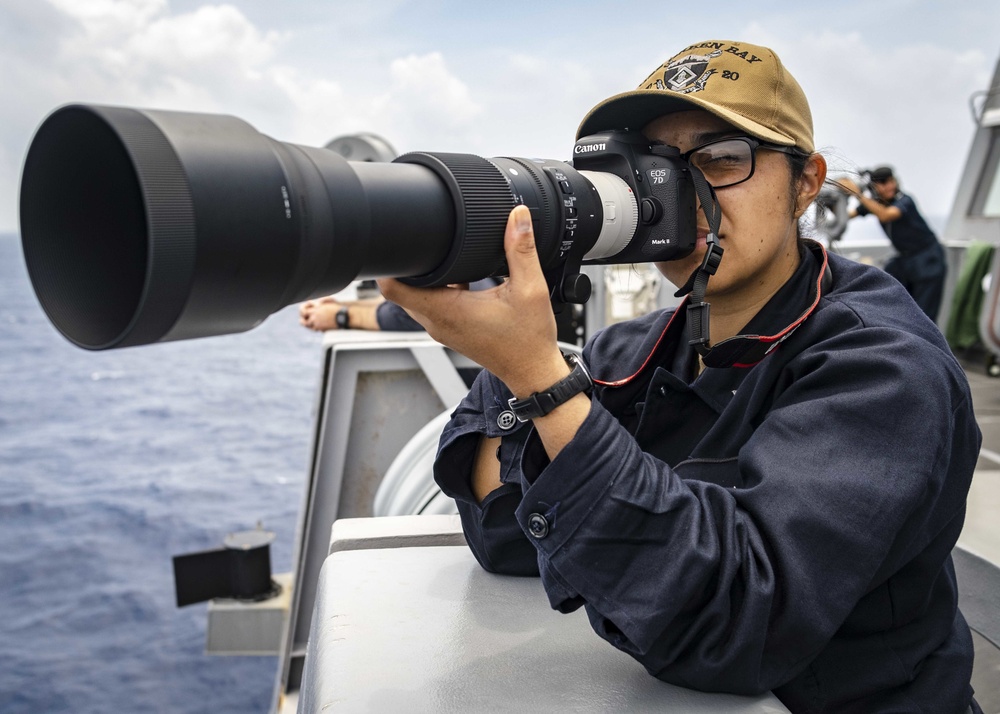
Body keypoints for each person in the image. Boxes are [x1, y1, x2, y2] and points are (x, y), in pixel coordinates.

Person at [379, 40, 983, 713]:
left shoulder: (883, 368)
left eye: (722, 160)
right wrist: (524, 358)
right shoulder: (637, 349)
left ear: (805, 182)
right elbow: (503, 532)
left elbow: (736, 623)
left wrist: (544, 383)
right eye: (657, 169)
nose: (682, 196)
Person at [838, 166, 947, 321]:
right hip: (905, 261)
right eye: (883, 182)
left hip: (927, 258)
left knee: (925, 315)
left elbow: (886, 215)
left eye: (890, 181)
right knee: (898, 307)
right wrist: (837, 194)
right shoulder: (875, 204)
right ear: (874, 186)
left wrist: (857, 193)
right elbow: (847, 216)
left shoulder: (905, 201)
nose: (889, 186)